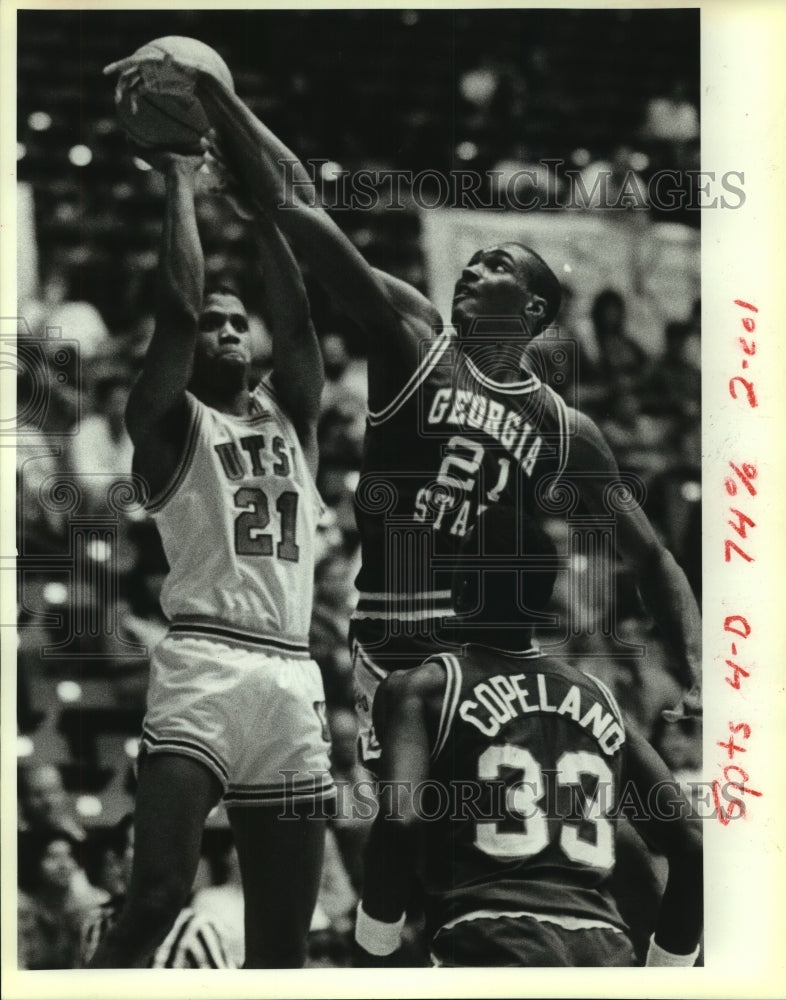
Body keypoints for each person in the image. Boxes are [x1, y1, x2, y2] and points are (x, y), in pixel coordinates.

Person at [104, 51, 701, 776]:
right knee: (420, 838)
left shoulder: (565, 428)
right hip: (396, 645)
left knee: (525, 826)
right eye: (472, 261)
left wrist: (696, 658)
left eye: (497, 267)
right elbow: (306, 216)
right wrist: (223, 104)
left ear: (534, 312)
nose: (473, 270)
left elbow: (652, 555)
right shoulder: (416, 339)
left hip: (493, 647)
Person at [87, 148, 333, 968]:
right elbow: (180, 308)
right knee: (156, 896)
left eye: (238, 321)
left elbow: (297, 322)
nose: (227, 329)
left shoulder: (289, 417)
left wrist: (265, 209)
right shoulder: (165, 421)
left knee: (281, 945)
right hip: (204, 666)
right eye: (216, 323)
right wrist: (181, 180)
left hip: (293, 675)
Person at [353, 509, 703, 967]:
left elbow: (400, 822)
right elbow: (692, 846)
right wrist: (667, 975)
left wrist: (372, 948)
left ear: (460, 590)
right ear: (544, 600)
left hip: (490, 940)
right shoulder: (600, 699)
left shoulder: (424, 687)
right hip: (604, 951)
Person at [81, 814, 232, 968]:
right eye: (139, 846)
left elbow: (228, 991)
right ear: (119, 860)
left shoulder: (194, 929)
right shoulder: (97, 924)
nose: (152, 857)